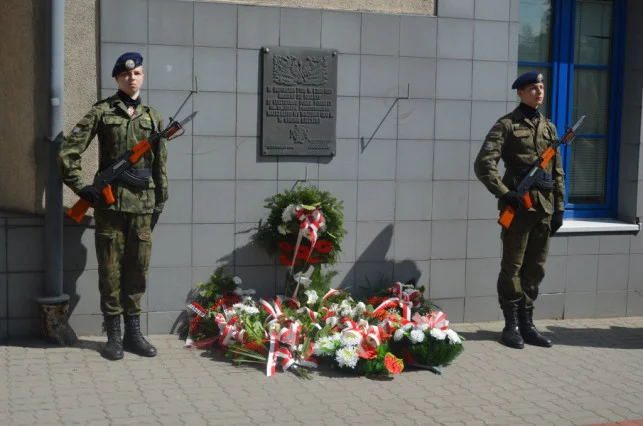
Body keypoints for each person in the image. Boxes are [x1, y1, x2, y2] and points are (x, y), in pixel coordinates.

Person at [58, 52, 168, 360]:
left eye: (137, 74)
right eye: (125, 74)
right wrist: (83, 188)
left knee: (138, 271)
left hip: (143, 208)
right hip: (110, 207)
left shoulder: (153, 118)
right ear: (117, 78)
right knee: (110, 272)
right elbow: (68, 152)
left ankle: (134, 333)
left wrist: (160, 202)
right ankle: (114, 336)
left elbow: (160, 166)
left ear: (142, 77)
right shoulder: (102, 112)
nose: (132, 78)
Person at [474, 71, 564, 350]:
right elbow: (483, 165)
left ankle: (528, 324)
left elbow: (557, 170)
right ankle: (511, 325)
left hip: (544, 209)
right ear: (520, 93)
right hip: (519, 208)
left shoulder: (549, 127)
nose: (539, 92)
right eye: (532, 88)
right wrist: (505, 193)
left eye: (541, 87)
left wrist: (559, 207)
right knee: (512, 267)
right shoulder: (507, 126)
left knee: (535, 268)